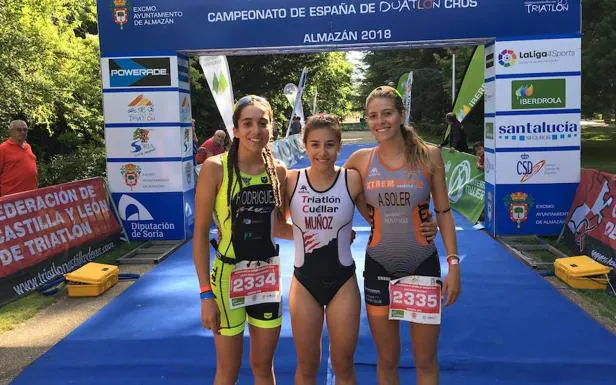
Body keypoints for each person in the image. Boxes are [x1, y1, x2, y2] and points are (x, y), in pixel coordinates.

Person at [286, 114, 439, 385]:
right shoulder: (290, 180)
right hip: (304, 282)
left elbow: (383, 211)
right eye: (315, 144)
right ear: (304, 145)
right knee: (307, 366)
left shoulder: (352, 179)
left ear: (339, 145)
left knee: (344, 365)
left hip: (343, 283)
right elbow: (273, 224)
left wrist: (428, 222)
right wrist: (316, 235)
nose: (323, 152)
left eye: (330, 144)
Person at [345, 86, 461, 385]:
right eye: (373, 116)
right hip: (378, 265)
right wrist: (363, 211)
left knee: (424, 360)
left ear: (401, 115)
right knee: (387, 359)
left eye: (387, 114)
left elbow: (444, 212)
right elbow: (338, 188)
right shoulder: (359, 160)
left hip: (422, 264)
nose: (380, 121)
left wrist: (454, 264)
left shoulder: (429, 155)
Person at [192, 95, 289, 385]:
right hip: (226, 276)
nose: (255, 131)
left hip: (266, 277)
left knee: (263, 366)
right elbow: (199, 233)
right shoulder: (215, 168)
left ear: (271, 127)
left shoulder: (278, 171)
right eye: (247, 123)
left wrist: (327, 231)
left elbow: (281, 225)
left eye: (263, 123)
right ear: (235, 129)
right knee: (228, 370)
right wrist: (205, 295)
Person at [0, 120, 38, 197]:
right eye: (19, 130)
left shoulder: (28, 147)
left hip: (31, 196)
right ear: (11, 131)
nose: (23, 132)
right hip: (11, 198)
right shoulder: (3, 148)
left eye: (25, 130)